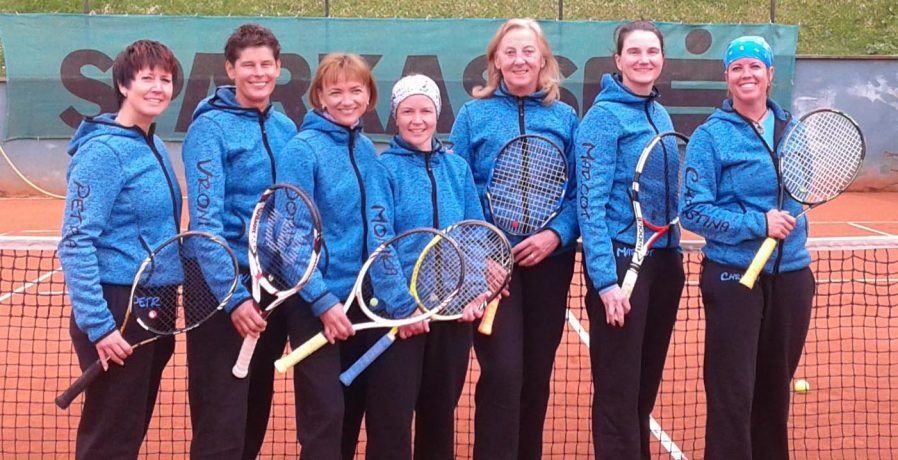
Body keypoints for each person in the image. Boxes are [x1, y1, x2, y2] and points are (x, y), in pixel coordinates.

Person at [448, 18, 580, 460]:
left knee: (537, 375)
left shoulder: (564, 117)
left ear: (543, 59)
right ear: (496, 62)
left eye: (528, 51)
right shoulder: (473, 115)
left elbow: (579, 191)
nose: (520, 60)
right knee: (503, 374)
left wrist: (555, 235)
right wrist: (482, 254)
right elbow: (457, 189)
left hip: (550, 264)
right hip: (492, 270)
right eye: (510, 52)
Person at [680, 36, 814, 460]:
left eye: (755, 67)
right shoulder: (710, 137)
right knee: (732, 394)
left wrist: (784, 225)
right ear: (727, 78)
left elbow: (802, 191)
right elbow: (693, 212)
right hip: (733, 278)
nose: (746, 75)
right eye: (737, 68)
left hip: (791, 278)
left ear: (770, 75)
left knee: (775, 392)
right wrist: (758, 223)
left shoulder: (793, 130)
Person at [58, 39, 181, 459]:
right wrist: (100, 326)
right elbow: (76, 241)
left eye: (165, 79)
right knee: (111, 433)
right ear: (124, 85)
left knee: (130, 425)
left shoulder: (154, 144)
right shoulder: (103, 152)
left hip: (157, 302)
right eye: (147, 78)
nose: (158, 87)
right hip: (119, 305)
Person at [351, 74, 484, 460]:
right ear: (395, 116)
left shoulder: (456, 168)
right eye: (407, 111)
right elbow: (379, 242)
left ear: (438, 115)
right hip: (399, 318)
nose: (417, 119)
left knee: (439, 419)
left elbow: (473, 234)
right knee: (391, 424)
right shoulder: (383, 169)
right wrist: (401, 306)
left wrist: (473, 294)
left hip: (451, 315)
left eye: (426, 110)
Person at [180, 24, 297, 460]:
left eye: (266, 64)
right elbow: (205, 225)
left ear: (279, 68)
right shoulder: (209, 130)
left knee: (254, 409)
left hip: (270, 285)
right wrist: (233, 298)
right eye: (248, 65)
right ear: (230, 69)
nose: (258, 73)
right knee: (220, 417)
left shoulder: (286, 127)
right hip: (217, 288)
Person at [575, 21, 685, 459]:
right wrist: (605, 282)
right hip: (621, 267)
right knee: (618, 394)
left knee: (643, 390)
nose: (644, 59)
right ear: (618, 60)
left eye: (652, 52)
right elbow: (590, 206)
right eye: (634, 52)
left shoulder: (659, 112)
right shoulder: (602, 118)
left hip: (664, 262)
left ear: (661, 59)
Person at [278, 52, 378, 460]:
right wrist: (323, 301)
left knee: (352, 411)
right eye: (335, 91)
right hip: (314, 304)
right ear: (318, 96)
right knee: (325, 417)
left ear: (369, 95)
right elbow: (288, 237)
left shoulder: (367, 148)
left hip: (363, 302)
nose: (346, 99)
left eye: (356, 90)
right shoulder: (301, 151)